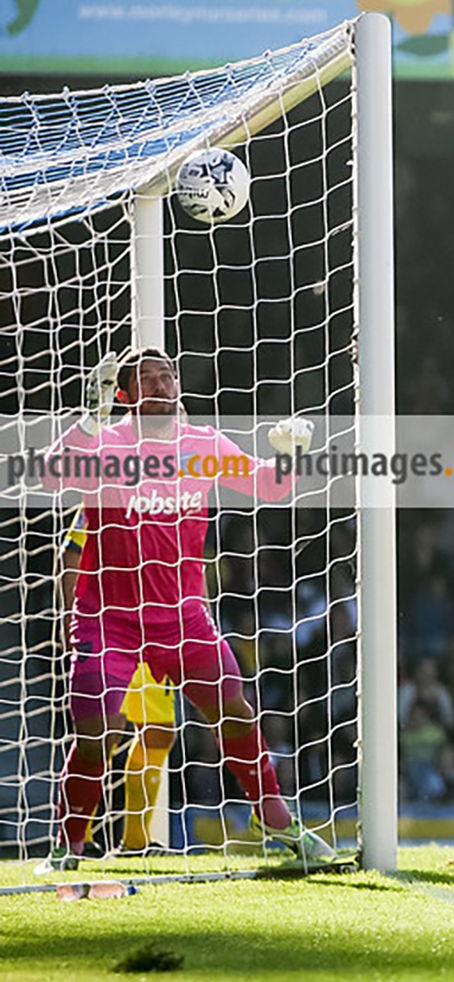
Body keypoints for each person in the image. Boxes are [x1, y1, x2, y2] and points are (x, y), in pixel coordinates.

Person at [37, 347, 332, 872]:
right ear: (124, 395)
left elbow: (272, 487)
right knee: (98, 730)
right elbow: (51, 478)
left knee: (235, 710)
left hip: (183, 617)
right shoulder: (106, 445)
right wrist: (87, 418)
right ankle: (69, 843)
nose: (162, 386)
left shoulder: (203, 444)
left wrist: (292, 453)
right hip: (110, 619)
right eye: (147, 379)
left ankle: (273, 817)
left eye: (167, 376)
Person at [59, 509, 178, 855]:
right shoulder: (101, 498)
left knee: (159, 730)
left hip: (157, 627)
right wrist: (70, 617)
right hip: (108, 628)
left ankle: (135, 841)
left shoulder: (169, 502)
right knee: (103, 731)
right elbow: (70, 554)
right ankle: (81, 836)